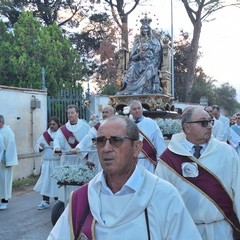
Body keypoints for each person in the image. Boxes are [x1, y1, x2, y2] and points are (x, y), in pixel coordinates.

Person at [47, 115, 202, 240]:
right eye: (100, 141)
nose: (106, 148)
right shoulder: (81, 199)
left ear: (136, 148)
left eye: (116, 141)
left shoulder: (164, 196)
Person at [155, 106, 240, 240]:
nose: (210, 126)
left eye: (210, 121)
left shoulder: (226, 152)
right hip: (184, 232)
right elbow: (160, 200)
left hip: (221, 231)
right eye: (203, 123)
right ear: (187, 127)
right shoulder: (169, 159)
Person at [116, 14, 162, 95]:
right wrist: (139, 54)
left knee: (150, 69)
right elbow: (132, 58)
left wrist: (150, 58)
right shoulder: (137, 42)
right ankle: (129, 89)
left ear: (149, 29)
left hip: (151, 63)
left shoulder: (155, 41)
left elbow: (158, 57)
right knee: (133, 68)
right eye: (143, 28)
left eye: (146, 28)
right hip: (139, 63)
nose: (145, 30)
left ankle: (140, 90)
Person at [71, 105, 115, 171]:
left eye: (107, 112)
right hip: (100, 157)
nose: (104, 114)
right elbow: (89, 137)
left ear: (112, 114)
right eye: (103, 112)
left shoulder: (118, 125)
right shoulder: (98, 127)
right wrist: (79, 148)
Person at [129, 100, 166, 173]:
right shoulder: (127, 124)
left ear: (142, 109)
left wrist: (163, 162)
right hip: (131, 163)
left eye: (139, 108)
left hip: (148, 162)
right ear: (130, 112)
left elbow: (159, 142)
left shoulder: (151, 123)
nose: (137, 111)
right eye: (134, 109)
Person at [33, 117, 61, 210]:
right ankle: (45, 201)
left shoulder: (61, 134)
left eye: (54, 124)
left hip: (57, 163)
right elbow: (37, 146)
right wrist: (40, 147)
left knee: (56, 182)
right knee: (45, 182)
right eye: (50, 124)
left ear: (58, 124)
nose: (52, 126)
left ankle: (58, 200)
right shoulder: (45, 135)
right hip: (46, 162)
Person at [0, 115, 18, 210]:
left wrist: (9, 161)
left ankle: (4, 201)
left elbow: (11, 147)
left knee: (5, 181)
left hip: (4, 161)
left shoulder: (8, 132)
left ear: (1, 122)